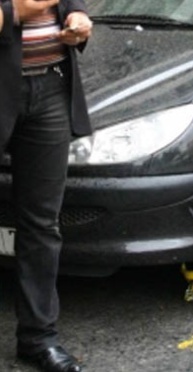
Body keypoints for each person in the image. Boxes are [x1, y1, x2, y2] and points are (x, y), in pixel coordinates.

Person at [0, 0, 93, 370]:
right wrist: (14, 12)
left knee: (41, 223)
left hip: (52, 87)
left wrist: (79, 18)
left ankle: (38, 338)